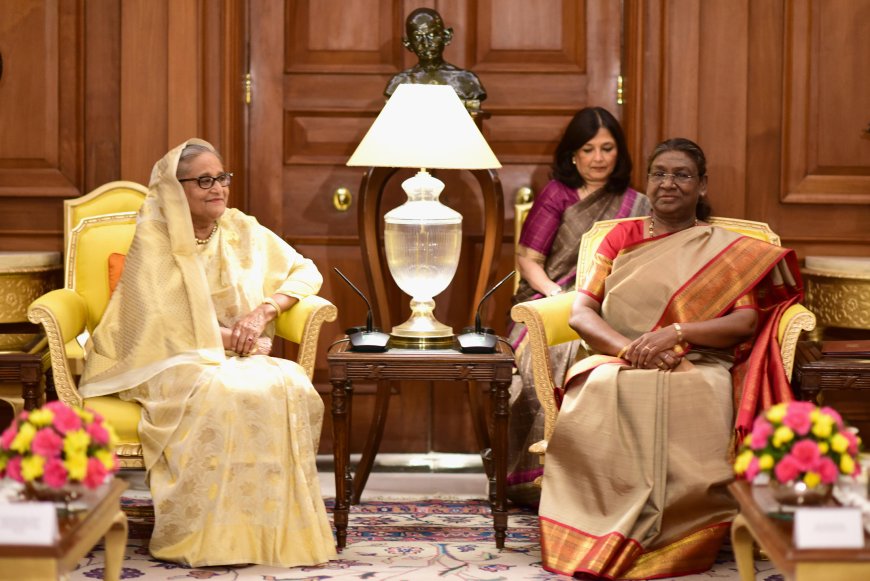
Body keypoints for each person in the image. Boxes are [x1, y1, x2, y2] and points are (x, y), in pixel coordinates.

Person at [537, 138, 803, 578]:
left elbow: (744, 324)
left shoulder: (727, 250)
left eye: (682, 174)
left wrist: (675, 334)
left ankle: (680, 535)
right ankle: (597, 531)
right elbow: (582, 312)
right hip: (620, 358)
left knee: (693, 392)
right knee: (600, 389)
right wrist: (631, 349)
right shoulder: (621, 236)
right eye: (659, 173)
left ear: (701, 185)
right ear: (647, 181)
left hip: (699, 361)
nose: (668, 183)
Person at [78, 139, 336, 568]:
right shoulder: (156, 238)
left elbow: (304, 270)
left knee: (287, 383)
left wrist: (265, 310)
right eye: (203, 181)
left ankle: (260, 528)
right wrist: (228, 338)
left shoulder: (241, 228)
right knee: (220, 392)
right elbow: (159, 321)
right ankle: (205, 534)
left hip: (235, 352)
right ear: (175, 189)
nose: (217, 188)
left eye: (221, 178)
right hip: (165, 359)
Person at [506, 107, 650, 506]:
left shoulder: (637, 203)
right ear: (573, 155)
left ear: (619, 153)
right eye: (589, 149)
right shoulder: (558, 194)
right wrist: (556, 294)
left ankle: (597, 476)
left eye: (607, 148)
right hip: (550, 300)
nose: (599, 158)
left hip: (609, 304)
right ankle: (536, 475)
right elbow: (529, 259)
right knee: (550, 351)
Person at [384, 7, 486, 106]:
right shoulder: (399, 82)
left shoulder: (466, 81)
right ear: (408, 43)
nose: (426, 44)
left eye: (432, 35)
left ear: (446, 36)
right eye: (418, 37)